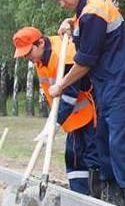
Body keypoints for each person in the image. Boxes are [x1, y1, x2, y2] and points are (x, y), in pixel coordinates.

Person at [42, 0, 125, 206]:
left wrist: (61, 85)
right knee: (104, 139)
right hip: (106, 84)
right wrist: (72, 23)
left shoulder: (92, 12)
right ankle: (110, 197)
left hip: (119, 82)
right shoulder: (87, 7)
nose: (62, 3)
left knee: (121, 142)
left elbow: (85, 60)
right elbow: (87, 33)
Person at [12, 26, 99, 195]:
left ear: (41, 43)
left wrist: (54, 125)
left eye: (28, 52)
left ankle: (96, 200)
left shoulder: (64, 56)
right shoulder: (40, 60)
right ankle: (78, 198)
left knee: (92, 157)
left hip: (89, 112)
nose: (27, 57)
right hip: (72, 117)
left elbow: (69, 96)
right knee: (73, 156)